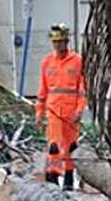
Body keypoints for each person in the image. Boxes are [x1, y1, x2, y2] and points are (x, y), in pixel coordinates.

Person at [35, 22, 87, 191]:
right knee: (54, 146)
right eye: (55, 42)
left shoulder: (77, 61)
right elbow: (42, 90)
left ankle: (69, 177)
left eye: (61, 42)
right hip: (53, 111)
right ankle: (52, 175)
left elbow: (83, 89)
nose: (58, 45)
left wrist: (80, 110)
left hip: (71, 111)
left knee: (71, 146)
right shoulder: (47, 62)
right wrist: (39, 113)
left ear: (67, 41)